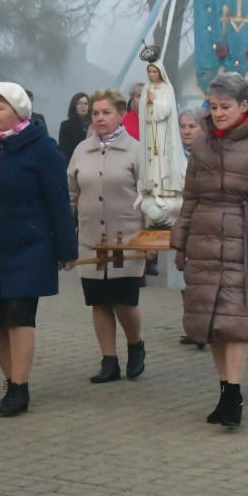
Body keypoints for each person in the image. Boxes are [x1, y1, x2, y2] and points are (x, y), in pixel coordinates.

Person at [171, 72, 248, 427]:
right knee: (213, 323)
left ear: (244, 106)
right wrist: (180, 240)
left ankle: (234, 395)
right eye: (214, 106)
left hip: (245, 239)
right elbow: (190, 195)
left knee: (236, 321)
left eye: (225, 106)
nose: (218, 112)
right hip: (205, 237)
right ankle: (224, 391)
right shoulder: (204, 141)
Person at [0, 82, 78, 416]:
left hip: (29, 247)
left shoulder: (42, 148)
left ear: (18, 111)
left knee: (19, 315)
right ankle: (9, 381)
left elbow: (59, 200)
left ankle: (20, 387)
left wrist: (66, 247)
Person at [68, 88, 146, 384]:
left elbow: (148, 195)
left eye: (106, 112)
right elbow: (71, 193)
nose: (100, 118)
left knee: (124, 300)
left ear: (121, 115)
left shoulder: (136, 151)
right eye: (96, 113)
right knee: (99, 301)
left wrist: (151, 238)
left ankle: (136, 344)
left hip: (125, 239)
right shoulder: (80, 150)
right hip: (91, 238)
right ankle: (109, 360)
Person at [138, 61, 186, 227]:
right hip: (151, 132)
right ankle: (153, 189)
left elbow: (166, 110)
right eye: (149, 71)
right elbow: (143, 113)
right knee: (152, 162)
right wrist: (148, 102)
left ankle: (164, 189)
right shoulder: (146, 88)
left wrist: (155, 102)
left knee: (162, 162)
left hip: (163, 133)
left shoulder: (166, 88)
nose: (152, 75)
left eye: (154, 71)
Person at [173, 108, 205, 346]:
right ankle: (194, 328)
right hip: (179, 218)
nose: (186, 131)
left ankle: (206, 326)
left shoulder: (210, 153)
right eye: (183, 126)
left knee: (202, 278)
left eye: (191, 126)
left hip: (204, 220)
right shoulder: (172, 155)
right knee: (183, 277)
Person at [58, 92, 91, 164]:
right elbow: (63, 150)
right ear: (74, 106)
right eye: (80, 103)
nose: (83, 106)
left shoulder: (94, 125)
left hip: (91, 164)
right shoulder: (66, 125)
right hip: (73, 164)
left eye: (86, 104)